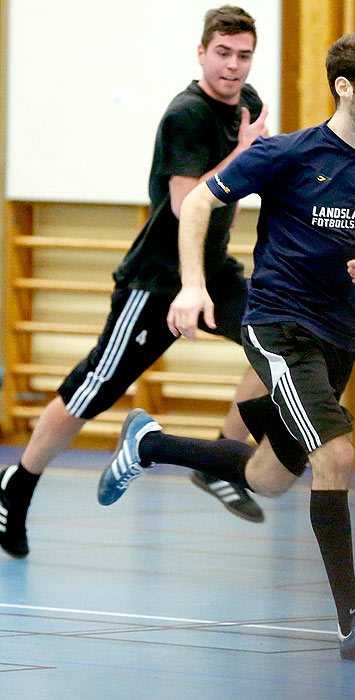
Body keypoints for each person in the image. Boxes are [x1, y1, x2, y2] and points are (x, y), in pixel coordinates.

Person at [96, 30, 355, 660]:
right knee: (335, 453)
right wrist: (193, 287)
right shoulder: (290, 154)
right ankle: (352, 620)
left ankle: (149, 444)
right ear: (345, 87)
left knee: (269, 477)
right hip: (277, 324)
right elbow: (196, 202)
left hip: (339, 335)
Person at [0, 6, 271, 559]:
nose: (233, 66)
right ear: (201, 52)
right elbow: (184, 203)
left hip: (213, 272)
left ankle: (220, 459)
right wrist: (243, 156)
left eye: (243, 55)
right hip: (157, 278)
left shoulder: (249, 104)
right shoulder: (187, 115)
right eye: (223, 53)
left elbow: (233, 196)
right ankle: (17, 484)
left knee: (277, 340)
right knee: (94, 389)